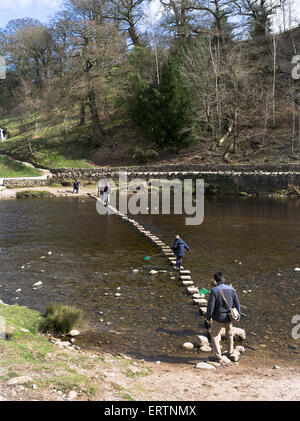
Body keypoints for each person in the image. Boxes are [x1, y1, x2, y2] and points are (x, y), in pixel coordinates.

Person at [206, 272, 241, 362]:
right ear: (223, 280)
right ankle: (230, 351)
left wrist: (208, 317)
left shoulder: (214, 290)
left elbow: (211, 306)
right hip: (229, 317)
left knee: (214, 335)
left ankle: (217, 355)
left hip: (218, 317)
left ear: (215, 280)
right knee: (229, 334)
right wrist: (238, 315)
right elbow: (237, 303)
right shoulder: (231, 289)